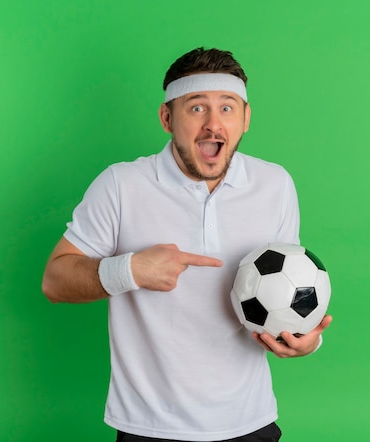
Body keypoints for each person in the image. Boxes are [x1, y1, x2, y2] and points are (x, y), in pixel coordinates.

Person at [42, 47, 332, 442]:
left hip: (249, 421)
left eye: (227, 108)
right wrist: (129, 270)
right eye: (197, 108)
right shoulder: (121, 185)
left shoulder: (275, 185)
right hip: (149, 427)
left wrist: (304, 340)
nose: (214, 125)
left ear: (246, 118)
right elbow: (54, 281)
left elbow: (284, 291)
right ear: (167, 118)